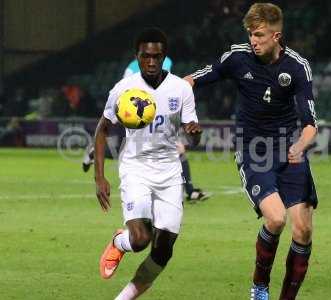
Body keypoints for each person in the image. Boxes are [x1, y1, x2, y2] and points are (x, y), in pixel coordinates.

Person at [184, 3, 318, 300]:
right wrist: (171, 94)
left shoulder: (296, 67)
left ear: (276, 35)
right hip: (253, 150)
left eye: (259, 35)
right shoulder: (238, 57)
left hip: (289, 150)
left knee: (303, 231)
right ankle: (259, 286)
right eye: (250, 34)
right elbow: (195, 79)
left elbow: (310, 125)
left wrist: (299, 145)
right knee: (276, 219)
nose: (253, 41)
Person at [94, 27, 202, 300]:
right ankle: (121, 241)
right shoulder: (124, 89)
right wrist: (99, 177)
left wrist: (193, 132)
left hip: (169, 172)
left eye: (156, 56)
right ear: (137, 56)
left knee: (164, 249)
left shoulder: (180, 89)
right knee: (140, 239)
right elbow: (102, 129)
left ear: (164, 56)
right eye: (145, 56)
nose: (151, 62)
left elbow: (194, 137)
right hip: (136, 168)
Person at [83, 56, 209, 202]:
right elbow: (126, 95)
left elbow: (163, 90)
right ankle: (187, 191)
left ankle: (187, 191)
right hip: (136, 115)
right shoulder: (132, 68)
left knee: (133, 149)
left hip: (152, 112)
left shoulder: (166, 63)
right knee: (135, 149)